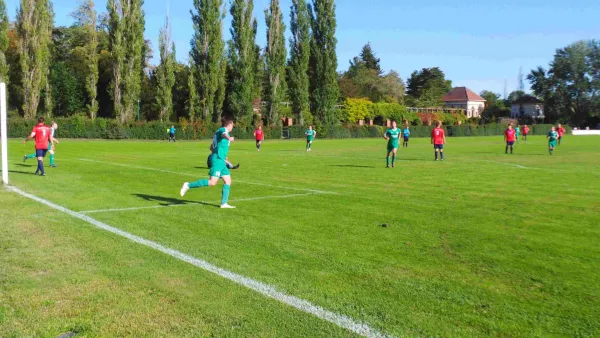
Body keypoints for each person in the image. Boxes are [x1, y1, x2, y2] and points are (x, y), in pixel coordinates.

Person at [181, 118, 236, 209]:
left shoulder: (217, 132)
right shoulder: (223, 130)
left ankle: (224, 204)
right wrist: (229, 138)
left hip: (220, 160)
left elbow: (211, 147)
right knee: (212, 182)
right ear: (229, 125)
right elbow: (224, 134)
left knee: (228, 181)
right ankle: (188, 185)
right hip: (218, 160)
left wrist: (222, 156)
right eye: (232, 125)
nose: (232, 127)